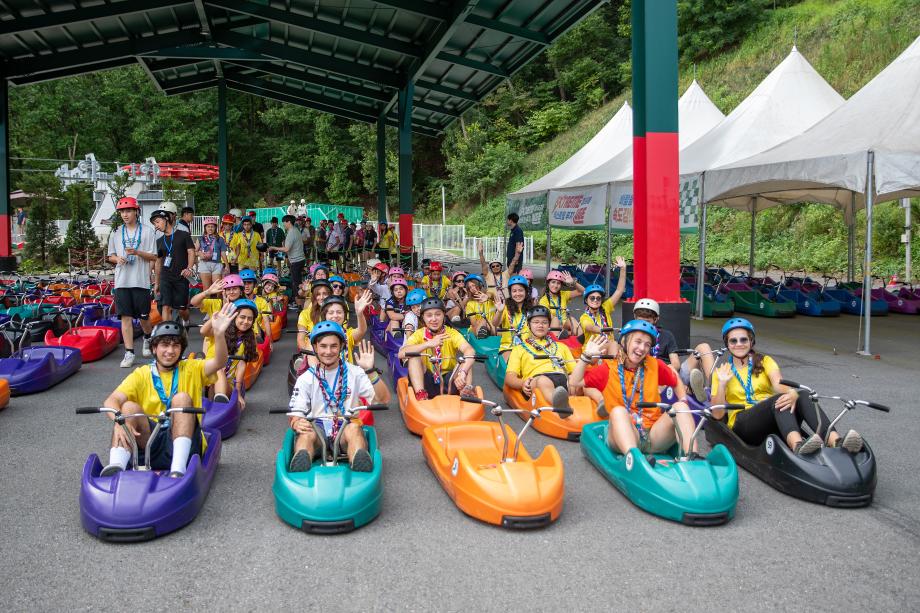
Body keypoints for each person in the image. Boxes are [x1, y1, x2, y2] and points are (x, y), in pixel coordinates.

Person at [98, 304, 236, 477]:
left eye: (175, 346)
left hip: (185, 440)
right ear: (154, 348)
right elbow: (111, 401)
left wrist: (218, 334)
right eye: (164, 345)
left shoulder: (192, 368)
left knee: (182, 399)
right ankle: (116, 467)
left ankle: (178, 470)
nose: (170, 351)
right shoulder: (142, 374)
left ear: (181, 349)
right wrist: (119, 422)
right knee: (128, 409)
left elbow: (219, 362)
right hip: (150, 442)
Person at [711, 318, 862, 455]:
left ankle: (836, 441)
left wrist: (791, 393)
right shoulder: (722, 371)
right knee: (777, 401)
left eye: (743, 339)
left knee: (802, 394)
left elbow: (778, 384)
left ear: (751, 341)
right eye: (733, 341)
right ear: (727, 344)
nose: (739, 344)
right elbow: (717, 415)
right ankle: (797, 445)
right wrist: (722, 383)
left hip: (771, 413)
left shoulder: (765, 361)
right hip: (743, 424)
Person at [573, 320, 696, 457]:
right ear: (625, 341)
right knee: (618, 412)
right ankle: (634, 459)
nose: (642, 348)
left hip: (653, 433)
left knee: (680, 407)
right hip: (624, 433)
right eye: (637, 342)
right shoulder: (608, 369)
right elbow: (575, 382)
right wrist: (585, 357)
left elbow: (675, 380)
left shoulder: (654, 364)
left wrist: (683, 400)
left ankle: (692, 456)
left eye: (647, 344)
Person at [288, 322, 391, 472]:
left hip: (346, 424)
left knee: (354, 428)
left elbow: (383, 399)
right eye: (323, 346)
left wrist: (370, 371)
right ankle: (301, 465)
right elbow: (295, 411)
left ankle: (358, 462)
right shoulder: (306, 378)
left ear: (342, 346)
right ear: (315, 348)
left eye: (333, 346)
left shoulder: (355, 372)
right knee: (305, 433)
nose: (328, 351)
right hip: (318, 428)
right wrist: (296, 422)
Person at [505, 305, 602, 412]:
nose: (540, 325)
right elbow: (509, 378)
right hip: (537, 379)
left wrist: (575, 383)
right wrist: (522, 383)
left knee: (583, 384)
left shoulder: (561, 347)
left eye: (544, 322)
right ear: (528, 325)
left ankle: (602, 402)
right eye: (536, 322)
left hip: (562, 376)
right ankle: (561, 406)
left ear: (549, 326)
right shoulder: (519, 349)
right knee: (543, 381)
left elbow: (574, 372)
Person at [107, 196, 157, 368]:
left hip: (141, 280)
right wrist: (117, 259)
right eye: (122, 211)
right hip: (122, 281)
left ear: (136, 211)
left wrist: (137, 252)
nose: (125, 214)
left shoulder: (148, 232)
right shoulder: (116, 232)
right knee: (125, 318)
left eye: (128, 210)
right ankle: (129, 352)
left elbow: (154, 256)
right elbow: (110, 255)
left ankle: (147, 337)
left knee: (144, 317)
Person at [399, 298, 475, 400]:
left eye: (438, 314)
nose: (434, 319)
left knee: (466, 359)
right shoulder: (419, 334)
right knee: (413, 356)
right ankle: (420, 393)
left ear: (444, 316)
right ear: (423, 318)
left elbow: (470, 350)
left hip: (449, 380)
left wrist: (463, 372)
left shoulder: (452, 333)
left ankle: (465, 393)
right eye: (429, 315)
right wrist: (428, 344)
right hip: (427, 380)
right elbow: (401, 353)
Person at [201, 298, 258, 410]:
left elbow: (241, 365)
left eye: (249, 319)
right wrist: (219, 315)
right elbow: (203, 331)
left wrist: (238, 394)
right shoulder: (221, 330)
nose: (246, 322)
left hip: (227, 383)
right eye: (242, 317)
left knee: (218, 370)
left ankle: (218, 404)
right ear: (234, 317)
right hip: (207, 378)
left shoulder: (250, 339)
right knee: (215, 368)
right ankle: (209, 404)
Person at [151, 204, 196, 324]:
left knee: (182, 309)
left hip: (181, 276)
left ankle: (186, 321)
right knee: (166, 306)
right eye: (154, 223)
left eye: (157, 222)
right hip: (166, 277)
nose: (156, 226)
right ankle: (168, 333)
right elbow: (158, 262)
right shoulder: (159, 241)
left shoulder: (183, 235)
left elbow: (191, 252)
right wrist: (157, 282)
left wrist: (189, 268)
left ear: (166, 219)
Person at [579, 256, 628, 347]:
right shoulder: (584, 317)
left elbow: (619, 290)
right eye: (592, 298)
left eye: (598, 298)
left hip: (609, 346)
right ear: (586, 300)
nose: (595, 300)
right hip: (593, 350)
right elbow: (590, 327)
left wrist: (623, 269)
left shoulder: (605, 308)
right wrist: (603, 329)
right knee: (614, 344)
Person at [492, 275, 533, 360]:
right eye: (514, 291)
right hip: (508, 347)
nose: (517, 294)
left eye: (521, 290)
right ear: (510, 293)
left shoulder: (532, 309)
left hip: (528, 347)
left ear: (526, 291)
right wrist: (499, 311)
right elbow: (495, 323)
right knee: (514, 359)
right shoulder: (505, 308)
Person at [268, 215, 305, 306]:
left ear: (288, 222)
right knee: (297, 281)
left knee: (295, 283)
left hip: (296, 261)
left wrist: (273, 247)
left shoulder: (291, 232)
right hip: (300, 259)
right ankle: (298, 301)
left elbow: (286, 249)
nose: (283, 224)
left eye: (284, 222)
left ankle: (297, 303)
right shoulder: (296, 230)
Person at [239, 268, 273, 345]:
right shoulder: (237, 301)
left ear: (254, 284)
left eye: (249, 283)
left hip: (257, 332)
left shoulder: (262, 301)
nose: (246, 286)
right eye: (244, 283)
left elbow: (267, 323)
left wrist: (270, 342)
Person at [297, 279, 332, 349]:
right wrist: (310, 356)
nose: (321, 297)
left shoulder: (335, 313)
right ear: (314, 297)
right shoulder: (305, 314)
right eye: (318, 294)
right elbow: (300, 339)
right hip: (311, 350)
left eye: (325, 294)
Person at [195, 216, 226, 291]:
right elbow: (194, 252)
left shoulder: (220, 239)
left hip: (217, 264)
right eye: (208, 226)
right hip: (204, 264)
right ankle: (207, 303)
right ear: (205, 228)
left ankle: (219, 302)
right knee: (206, 289)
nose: (210, 228)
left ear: (215, 228)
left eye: (212, 226)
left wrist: (227, 266)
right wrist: (200, 254)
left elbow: (223, 253)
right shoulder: (200, 238)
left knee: (218, 288)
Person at [461, 274, 495, 339]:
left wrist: (487, 297)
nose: (472, 288)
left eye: (473, 285)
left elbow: (493, 295)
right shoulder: (470, 304)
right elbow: (474, 324)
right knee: (483, 320)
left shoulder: (489, 297)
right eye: (470, 287)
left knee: (488, 323)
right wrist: (483, 321)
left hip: (492, 327)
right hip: (477, 329)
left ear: (480, 285)